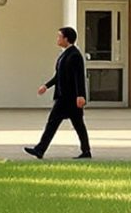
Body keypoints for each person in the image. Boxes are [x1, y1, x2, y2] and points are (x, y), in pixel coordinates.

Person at [27, 25, 92, 159]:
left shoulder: (75, 55)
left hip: (70, 98)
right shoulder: (65, 54)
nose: (57, 39)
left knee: (66, 124)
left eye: (59, 36)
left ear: (66, 39)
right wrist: (46, 86)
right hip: (63, 97)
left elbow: (79, 77)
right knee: (71, 124)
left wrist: (81, 95)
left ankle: (41, 149)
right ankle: (85, 151)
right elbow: (59, 76)